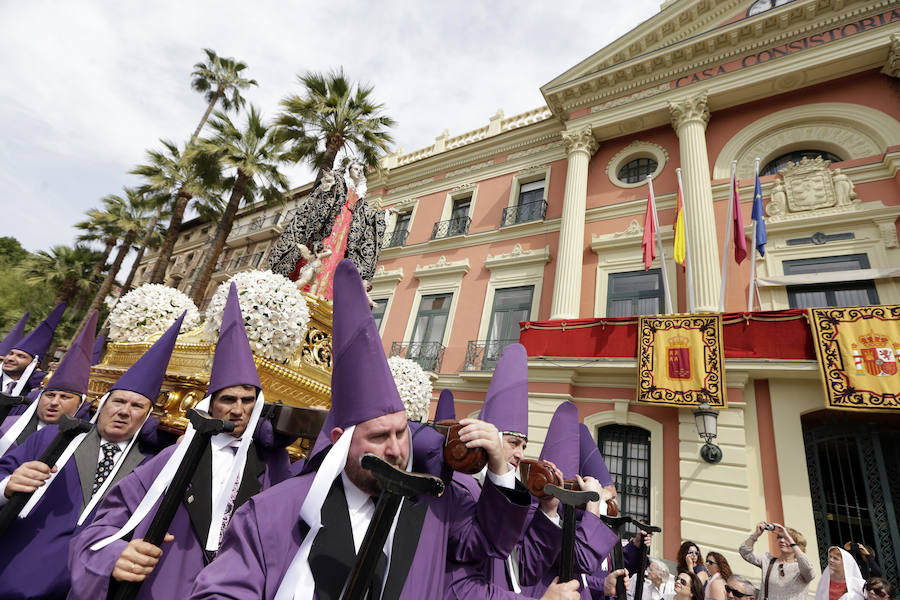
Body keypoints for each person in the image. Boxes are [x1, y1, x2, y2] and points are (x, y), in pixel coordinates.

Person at [188, 259, 535, 599]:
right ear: (341, 440)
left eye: (401, 433)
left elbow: (490, 543)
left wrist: (500, 469)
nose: (396, 450)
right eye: (379, 437)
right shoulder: (273, 511)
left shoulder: (431, 509)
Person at [68, 284, 294, 599]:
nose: (238, 409)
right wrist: (116, 555)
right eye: (228, 398)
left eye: (248, 401)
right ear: (211, 405)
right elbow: (100, 531)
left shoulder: (272, 467)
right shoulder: (170, 460)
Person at [0, 312, 183, 599]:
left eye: (137, 406)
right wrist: (8, 485)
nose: (124, 410)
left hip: (87, 585)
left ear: (147, 417)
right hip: (14, 570)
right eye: (118, 400)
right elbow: (2, 474)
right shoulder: (54, 438)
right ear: (102, 404)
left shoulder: (150, 466)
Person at [519, 400, 619, 600]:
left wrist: (604, 585)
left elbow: (582, 578)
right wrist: (592, 506)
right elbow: (581, 559)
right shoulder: (537, 514)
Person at [0, 311, 98, 456]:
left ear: (80, 404)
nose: (54, 402)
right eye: (50, 395)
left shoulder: (84, 448)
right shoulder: (6, 426)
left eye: (65, 397)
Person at [1, 303, 66, 397]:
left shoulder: (40, 391)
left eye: (21, 356)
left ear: (35, 364)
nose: (10, 358)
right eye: (10, 353)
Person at [739, 522, 817, 600]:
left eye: (786, 538)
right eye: (780, 537)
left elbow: (809, 571)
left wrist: (790, 540)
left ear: (797, 544)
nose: (782, 540)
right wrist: (756, 534)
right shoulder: (768, 560)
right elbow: (744, 552)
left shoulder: (801, 568)